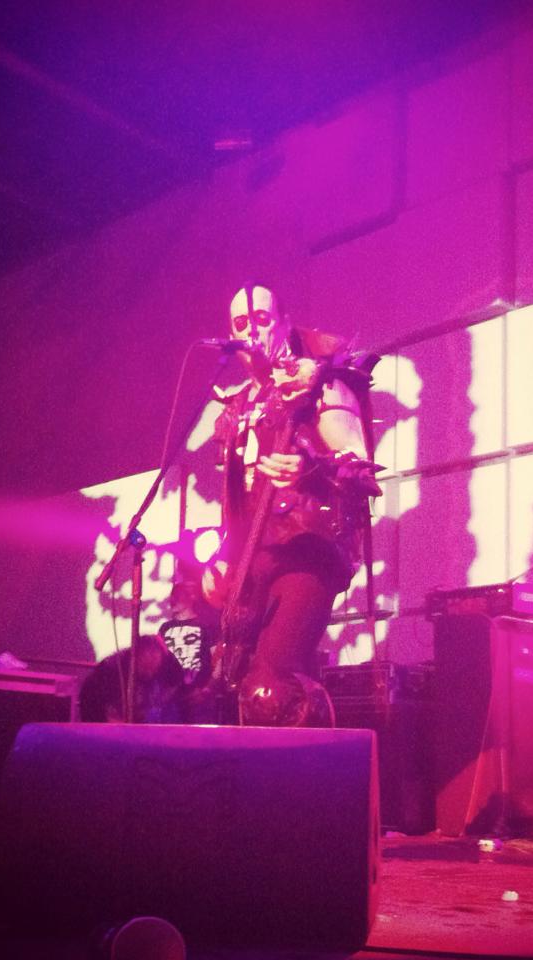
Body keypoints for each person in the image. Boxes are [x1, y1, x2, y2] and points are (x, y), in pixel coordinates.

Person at [202, 283, 381, 725]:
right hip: (251, 560)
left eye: (261, 320)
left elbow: (359, 468)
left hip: (306, 552)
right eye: (241, 324)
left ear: (283, 324)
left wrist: (311, 468)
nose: (251, 331)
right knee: (233, 692)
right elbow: (238, 499)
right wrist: (221, 556)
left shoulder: (320, 381)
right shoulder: (237, 407)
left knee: (270, 685)